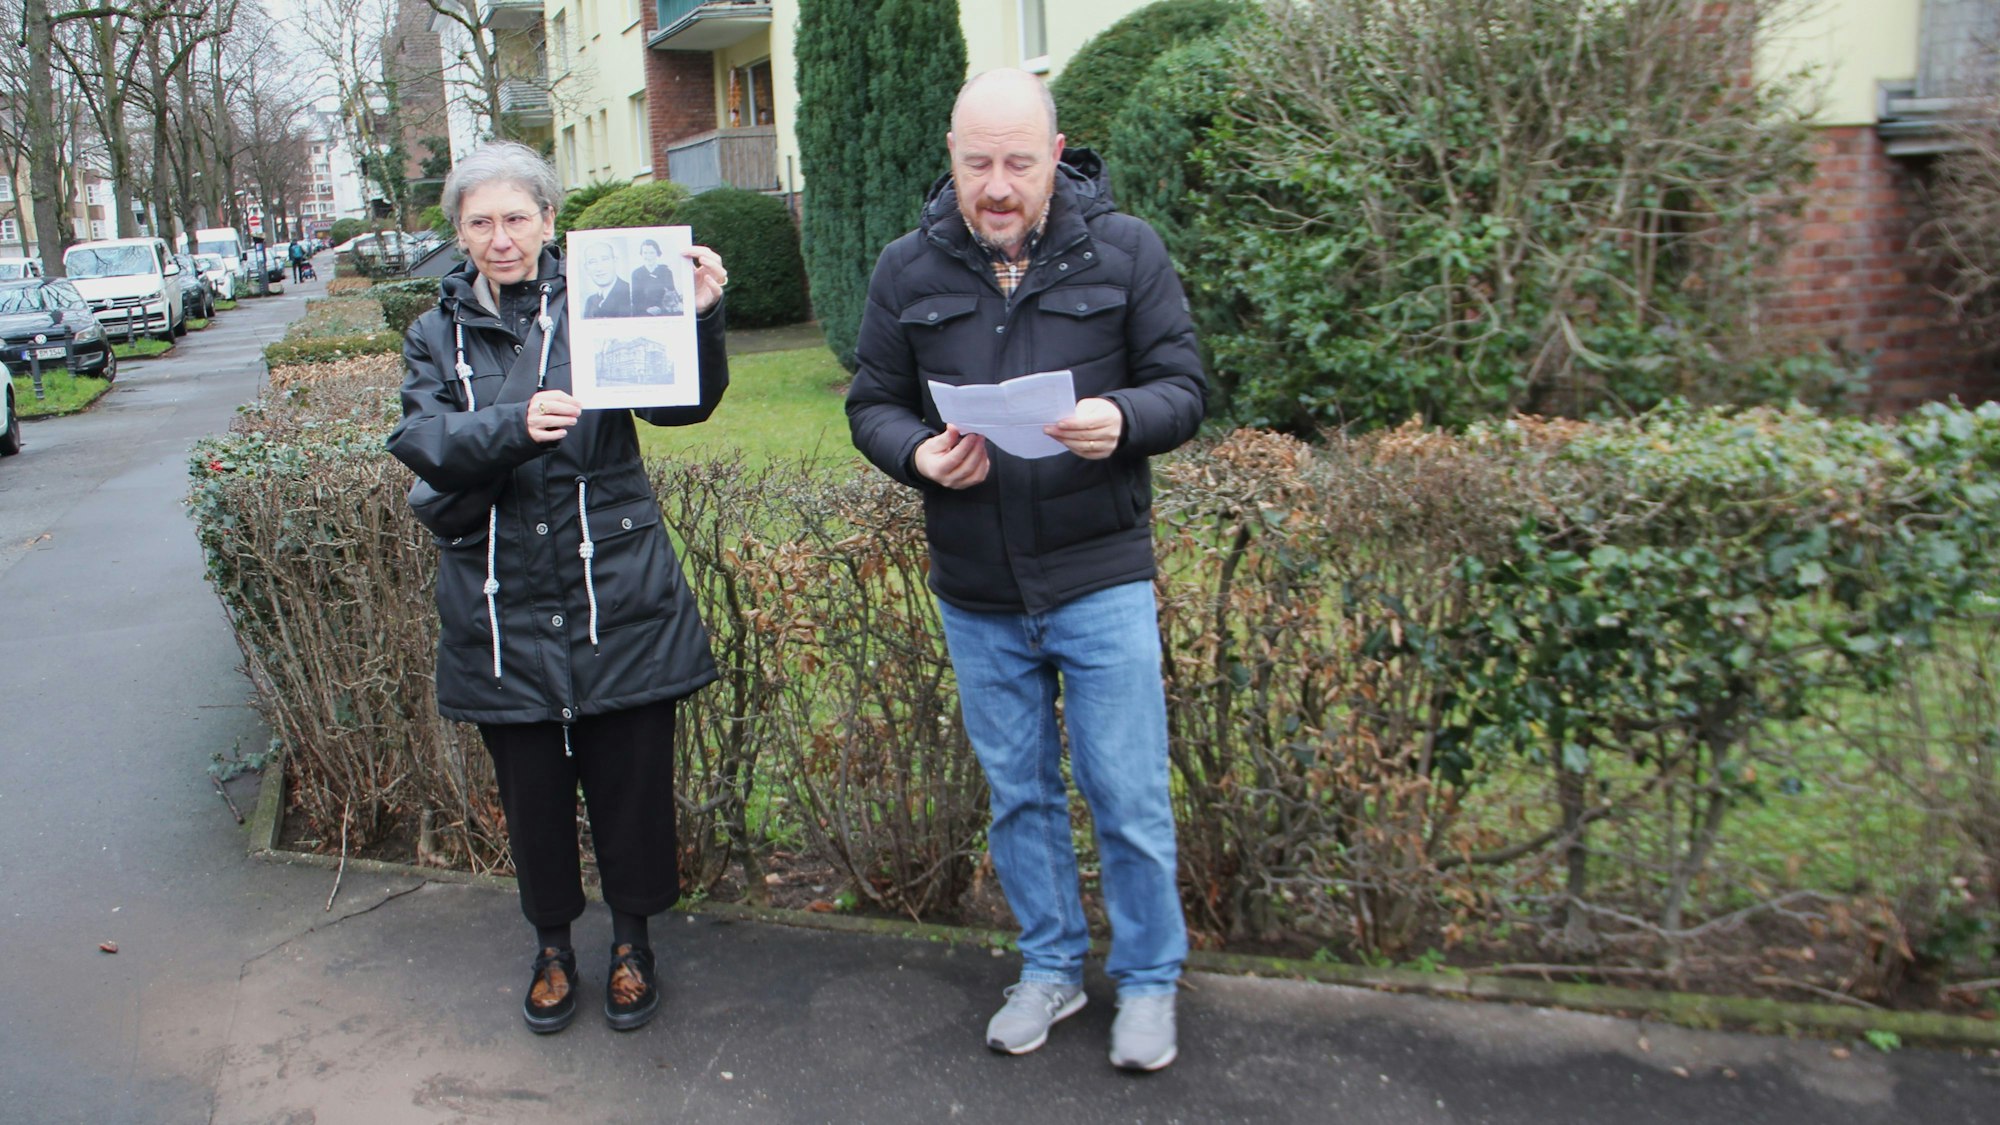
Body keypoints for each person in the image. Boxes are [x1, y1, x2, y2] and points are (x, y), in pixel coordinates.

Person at [845, 69, 1206, 1072]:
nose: (995, 185)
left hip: (1099, 571)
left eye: (1015, 161)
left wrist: (1122, 420)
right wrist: (915, 453)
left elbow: (1182, 386)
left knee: (1126, 792)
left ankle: (1144, 983)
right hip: (977, 584)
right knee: (1019, 796)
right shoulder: (906, 270)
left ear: (1053, 157)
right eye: (975, 163)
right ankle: (1048, 968)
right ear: (950, 160)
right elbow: (871, 400)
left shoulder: (1125, 250)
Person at [385, 140, 732, 1035]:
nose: (501, 238)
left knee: (630, 781)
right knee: (532, 790)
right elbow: (423, 440)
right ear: (458, 233)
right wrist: (511, 424)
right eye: (480, 222)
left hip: (611, 583)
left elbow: (680, 405)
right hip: (502, 598)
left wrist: (697, 317)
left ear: (550, 219)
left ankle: (632, 943)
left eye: (516, 217)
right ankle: (549, 945)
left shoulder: (607, 295)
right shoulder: (435, 332)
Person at [579, 240, 636, 318]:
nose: (599, 268)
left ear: (615, 262)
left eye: (605, 259)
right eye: (592, 262)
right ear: (586, 268)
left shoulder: (631, 293)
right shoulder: (590, 301)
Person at [630, 238, 684, 317]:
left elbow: (671, 294)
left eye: (652, 253)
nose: (648, 256)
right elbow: (636, 298)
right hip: (643, 313)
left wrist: (661, 308)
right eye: (645, 253)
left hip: (664, 311)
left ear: (657, 253)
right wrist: (647, 309)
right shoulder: (636, 273)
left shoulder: (666, 272)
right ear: (641, 254)